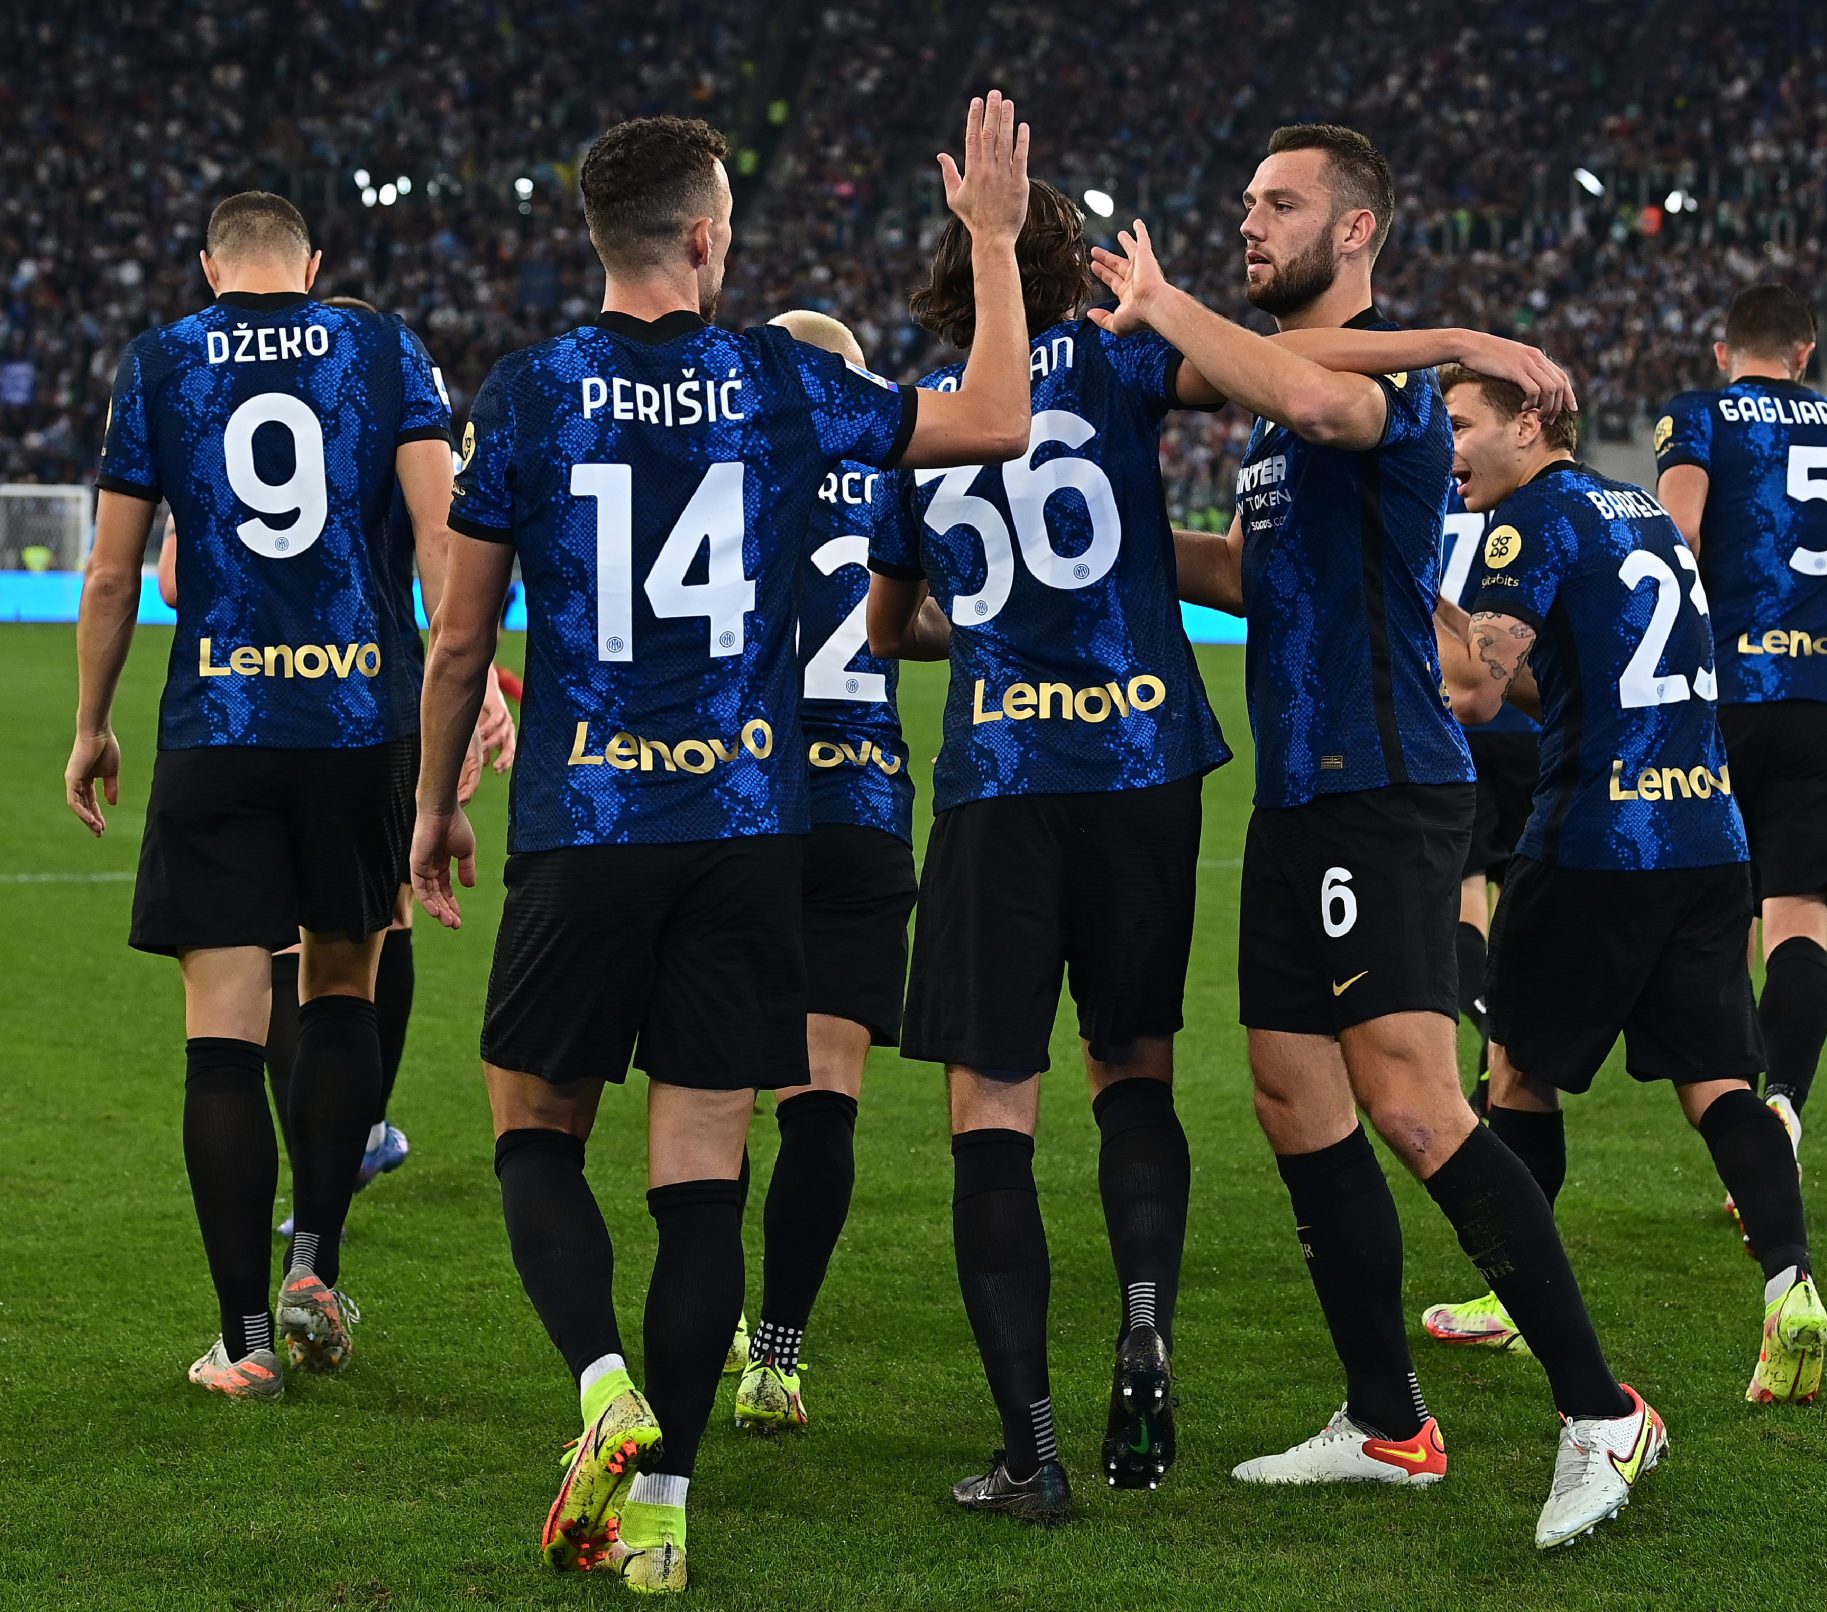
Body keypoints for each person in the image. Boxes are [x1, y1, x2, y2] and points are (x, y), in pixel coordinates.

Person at [409, 98, 1034, 1594]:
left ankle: (602, 1387)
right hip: (751, 830)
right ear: (707, 238)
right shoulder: (776, 379)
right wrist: (995, 243)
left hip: (586, 821)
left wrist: (435, 806)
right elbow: (997, 417)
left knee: (530, 1132)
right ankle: (670, 1505)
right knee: (701, 1174)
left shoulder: (534, 386)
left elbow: (457, 638)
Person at [1090, 124, 1663, 1550]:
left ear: (1356, 234)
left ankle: (1605, 1411)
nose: (1248, 223)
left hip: (1389, 786)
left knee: (1415, 1103)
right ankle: (1388, 1422)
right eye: (1245, 204)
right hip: (1297, 800)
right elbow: (1256, 567)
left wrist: (1163, 308)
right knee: (1296, 1098)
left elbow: (1312, 400)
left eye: (1279, 205)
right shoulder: (1296, 415)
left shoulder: (1386, 390)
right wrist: (1119, 547)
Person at [866, 177, 1235, 1522]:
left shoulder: (926, 414)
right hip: (1145, 763)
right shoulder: (1127, 357)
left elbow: (886, 630)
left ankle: (1030, 1451)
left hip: (1004, 779)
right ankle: (1145, 1322)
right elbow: (1246, 377)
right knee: (1134, 1072)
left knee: (993, 1114)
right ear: (1073, 269)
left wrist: (988, 632)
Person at [70, 191, 454, 1397]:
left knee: (224, 1033)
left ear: (207, 265)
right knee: (344, 984)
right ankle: (317, 1264)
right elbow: (444, 541)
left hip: (220, 725)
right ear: (314, 265)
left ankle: (239, 1343)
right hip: (358, 721)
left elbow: (115, 569)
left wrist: (92, 721)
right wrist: (461, 692)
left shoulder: (163, 360)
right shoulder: (383, 344)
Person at [1426, 366, 1827, 1404]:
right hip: (1706, 836)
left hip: (1596, 837)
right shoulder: (1638, 510)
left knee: (1515, 1071)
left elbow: (1472, 688)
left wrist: (1407, 588)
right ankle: (1789, 1285)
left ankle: (1513, 1296)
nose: (1446, 446)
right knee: (1717, 1083)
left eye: (1460, 423)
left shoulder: (1529, 520)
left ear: (1528, 423)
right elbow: (1567, 668)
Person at [155, 333, 518, 1222]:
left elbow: (168, 580)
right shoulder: (404, 422)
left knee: (292, 958)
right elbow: (453, 557)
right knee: (379, 923)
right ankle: (359, 1138)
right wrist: (483, 695)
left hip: (265, 707)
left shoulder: (270, 415)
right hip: (396, 703)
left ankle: (327, 1165)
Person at [727, 309, 923, 1434]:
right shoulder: (891, 477)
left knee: (709, 1102)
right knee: (823, 1100)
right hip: (861, 808)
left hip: (740, 802)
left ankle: (705, 1324)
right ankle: (779, 1356)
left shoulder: (734, 466)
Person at [1653, 285, 1827, 1175]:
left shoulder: (1701, 415)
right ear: (1807, 351)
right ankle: (1785, 1103)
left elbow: (1677, 533)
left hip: (1728, 692)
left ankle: (1727, 1121)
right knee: (1798, 921)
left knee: (1715, 913)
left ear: (1725, 351)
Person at [1438, 497, 1541, 1112]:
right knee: (1518, 902)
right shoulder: (1521, 512)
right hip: (1524, 725)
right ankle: (1499, 1063)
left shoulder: (1425, 495)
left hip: (1452, 723)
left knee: (1465, 892)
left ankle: (1486, 1022)